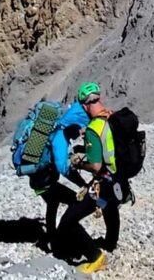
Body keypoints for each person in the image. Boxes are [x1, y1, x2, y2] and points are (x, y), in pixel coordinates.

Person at [56, 82, 122, 274]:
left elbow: (95, 166)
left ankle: (95, 256)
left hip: (104, 184)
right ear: (98, 98)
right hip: (119, 180)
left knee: (68, 221)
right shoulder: (113, 117)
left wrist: (78, 163)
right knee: (108, 206)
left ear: (85, 106)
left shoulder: (93, 128)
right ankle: (110, 242)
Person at [29, 96, 89, 249]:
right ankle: (66, 239)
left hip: (38, 180)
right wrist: (82, 183)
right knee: (75, 202)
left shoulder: (56, 129)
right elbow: (63, 168)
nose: (81, 133)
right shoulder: (60, 138)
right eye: (81, 128)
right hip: (45, 181)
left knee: (53, 202)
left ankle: (50, 237)